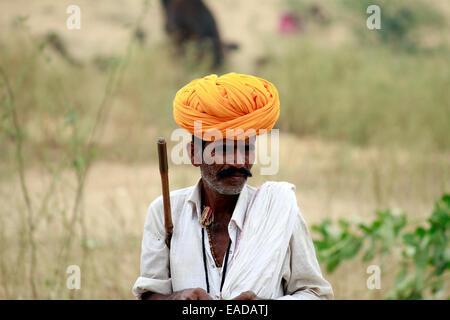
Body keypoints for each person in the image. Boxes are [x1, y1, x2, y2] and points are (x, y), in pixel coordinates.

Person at [132, 73, 333, 300]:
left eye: (246, 149)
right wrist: (176, 299)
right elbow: (150, 294)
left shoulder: (279, 211)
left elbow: (315, 294)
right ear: (194, 154)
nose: (238, 162)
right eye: (224, 149)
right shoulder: (166, 212)